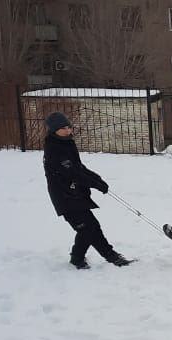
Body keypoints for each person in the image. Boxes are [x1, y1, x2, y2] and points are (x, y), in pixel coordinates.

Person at [42, 112, 132, 269]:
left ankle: (110, 256)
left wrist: (97, 179)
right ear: (54, 130)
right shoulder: (53, 149)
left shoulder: (67, 143)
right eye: (63, 128)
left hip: (75, 194)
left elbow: (79, 168)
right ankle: (78, 258)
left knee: (92, 227)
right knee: (86, 228)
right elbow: (71, 173)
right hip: (64, 196)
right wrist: (94, 184)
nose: (67, 130)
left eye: (68, 127)